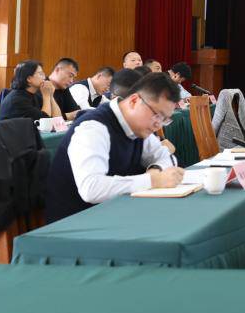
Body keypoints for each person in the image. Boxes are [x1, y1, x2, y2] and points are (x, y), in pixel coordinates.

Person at [44, 72, 183, 223]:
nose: (158, 125)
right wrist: (153, 181)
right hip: (75, 223)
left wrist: (156, 170)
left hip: (114, 214)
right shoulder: (93, 128)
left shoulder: (139, 128)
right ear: (134, 101)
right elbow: (91, 189)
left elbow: (167, 157)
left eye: (164, 119)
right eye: (157, 115)